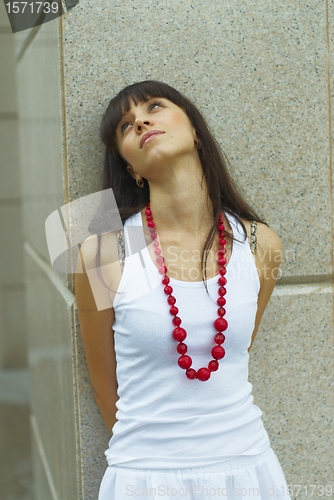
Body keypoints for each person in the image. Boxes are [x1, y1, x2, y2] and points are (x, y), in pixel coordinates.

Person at [75, 81, 290, 499]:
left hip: (248, 472)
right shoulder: (103, 251)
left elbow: (237, 347)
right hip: (146, 477)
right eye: (124, 126)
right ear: (131, 168)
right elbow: (105, 386)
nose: (140, 121)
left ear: (195, 131)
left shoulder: (262, 244)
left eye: (154, 106)